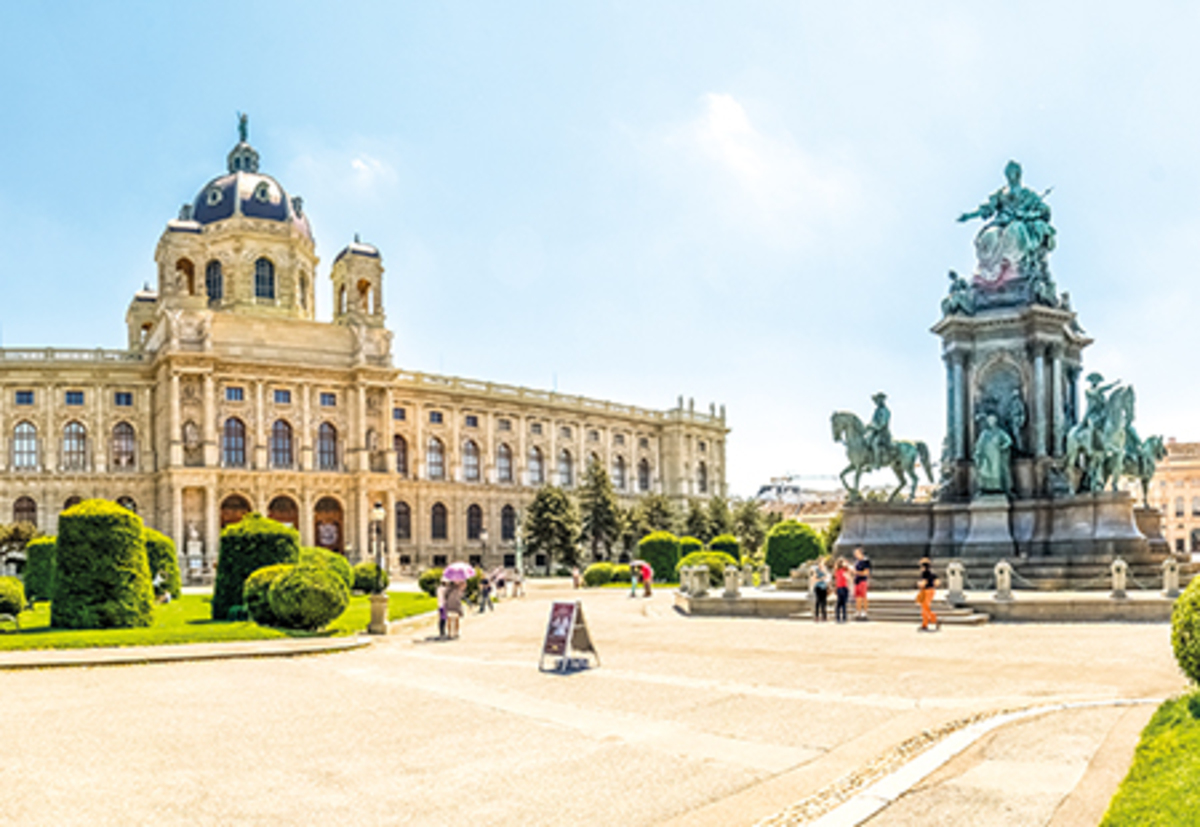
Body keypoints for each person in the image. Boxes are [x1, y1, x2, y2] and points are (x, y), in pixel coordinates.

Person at [917, 558, 940, 631]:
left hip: (926, 591)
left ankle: (934, 619)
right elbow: (937, 582)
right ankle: (924, 624)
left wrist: (919, 584)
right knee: (925, 608)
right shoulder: (932, 573)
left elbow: (924, 582)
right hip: (932, 590)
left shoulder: (924, 573)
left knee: (925, 607)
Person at [853, 547, 872, 620]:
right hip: (857, 581)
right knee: (857, 597)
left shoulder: (865, 561)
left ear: (860, 553)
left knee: (863, 596)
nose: (855, 555)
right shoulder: (857, 562)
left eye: (856, 553)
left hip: (862, 581)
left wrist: (856, 572)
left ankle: (865, 611)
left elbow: (866, 572)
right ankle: (858, 611)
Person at [810, 557, 829, 622]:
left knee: (824, 602)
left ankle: (824, 616)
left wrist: (825, 578)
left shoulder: (825, 569)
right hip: (818, 586)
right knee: (818, 602)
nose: (822, 563)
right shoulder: (816, 569)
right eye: (821, 562)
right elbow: (814, 578)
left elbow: (827, 576)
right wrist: (821, 579)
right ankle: (817, 616)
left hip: (824, 586)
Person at [833, 558, 851, 623]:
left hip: (839, 588)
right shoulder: (843, 571)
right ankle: (844, 618)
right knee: (843, 604)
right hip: (843, 588)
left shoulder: (837, 571)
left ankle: (838, 617)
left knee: (839, 604)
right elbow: (848, 578)